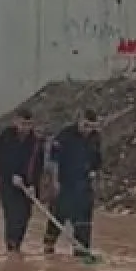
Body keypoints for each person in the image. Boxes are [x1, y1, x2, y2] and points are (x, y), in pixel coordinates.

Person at [43, 109, 102, 258]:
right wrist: (55, 182)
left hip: (83, 185)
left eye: (92, 126)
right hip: (64, 183)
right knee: (58, 217)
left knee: (83, 221)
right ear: (79, 121)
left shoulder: (95, 138)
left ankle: (81, 252)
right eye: (86, 125)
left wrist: (94, 178)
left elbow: (96, 161)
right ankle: (48, 248)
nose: (88, 129)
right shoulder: (65, 135)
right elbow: (54, 161)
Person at [0, 108, 47, 255]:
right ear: (15, 122)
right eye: (23, 124)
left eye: (29, 124)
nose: (26, 128)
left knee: (25, 216)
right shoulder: (5, 138)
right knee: (12, 216)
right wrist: (11, 176)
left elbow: (38, 166)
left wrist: (34, 185)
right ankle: (12, 248)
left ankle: (17, 245)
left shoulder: (35, 143)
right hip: (9, 186)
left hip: (28, 187)